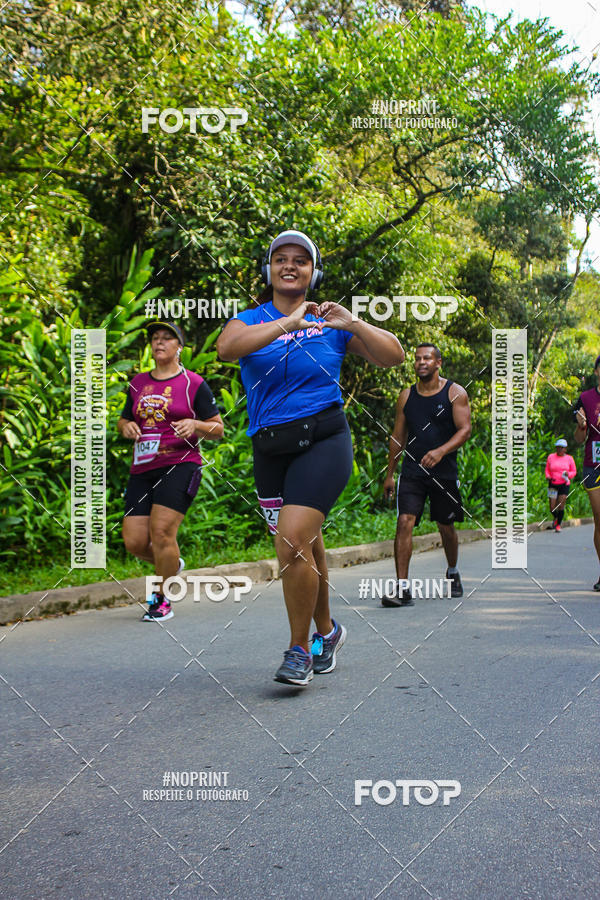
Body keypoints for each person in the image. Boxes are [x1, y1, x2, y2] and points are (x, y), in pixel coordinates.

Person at [216, 229, 404, 685]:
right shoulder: (249, 320)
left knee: (293, 539)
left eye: (301, 260)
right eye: (281, 258)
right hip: (270, 448)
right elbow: (226, 349)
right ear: (269, 270)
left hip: (324, 438)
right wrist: (289, 322)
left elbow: (393, 356)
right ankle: (327, 631)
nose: (290, 265)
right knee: (303, 543)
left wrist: (353, 323)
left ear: (312, 272)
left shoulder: (329, 323)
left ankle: (298, 650)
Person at [118, 321, 224, 621]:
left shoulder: (193, 383)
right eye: (155, 338)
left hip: (180, 464)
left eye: (167, 338)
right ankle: (171, 565)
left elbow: (218, 428)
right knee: (135, 541)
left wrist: (197, 425)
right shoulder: (138, 383)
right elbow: (124, 420)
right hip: (142, 468)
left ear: (180, 347)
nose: (159, 343)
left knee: (162, 532)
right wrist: (127, 426)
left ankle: (162, 598)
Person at [383, 343, 471, 606]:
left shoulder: (455, 393)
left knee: (446, 526)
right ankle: (402, 588)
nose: (421, 362)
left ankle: (452, 571)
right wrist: (390, 473)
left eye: (427, 358)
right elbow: (398, 437)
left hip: (444, 472)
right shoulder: (406, 396)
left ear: (438, 363)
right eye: (417, 359)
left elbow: (464, 430)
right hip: (412, 472)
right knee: (404, 521)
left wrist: (441, 451)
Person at [573, 353, 600, 591]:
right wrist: (582, 425)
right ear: (597, 371)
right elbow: (579, 439)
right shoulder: (585, 399)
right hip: (594, 464)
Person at [544, 439, 576, 532]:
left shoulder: (569, 458)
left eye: (561, 448)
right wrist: (548, 476)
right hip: (552, 483)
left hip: (564, 484)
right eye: (557, 447)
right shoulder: (551, 457)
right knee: (552, 507)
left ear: (565, 449)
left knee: (561, 506)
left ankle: (558, 525)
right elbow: (547, 469)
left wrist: (568, 475)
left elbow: (574, 471)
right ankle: (556, 518)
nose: (559, 449)